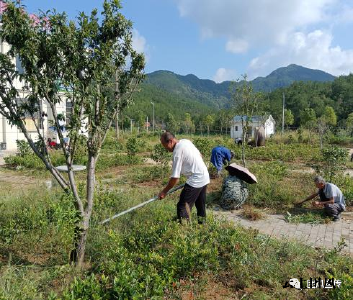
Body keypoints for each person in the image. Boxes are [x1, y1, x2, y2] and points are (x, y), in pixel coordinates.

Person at [158, 132, 210, 224]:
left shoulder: (177, 153)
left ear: (170, 141)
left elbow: (175, 178)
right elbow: (200, 155)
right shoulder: (185, 141)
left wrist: (164, 191)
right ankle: (203, 226)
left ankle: (184, 231)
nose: (165, 148)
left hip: (196, 179)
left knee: (182, 207)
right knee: (200, 205)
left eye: (164, 145)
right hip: (204, 175)